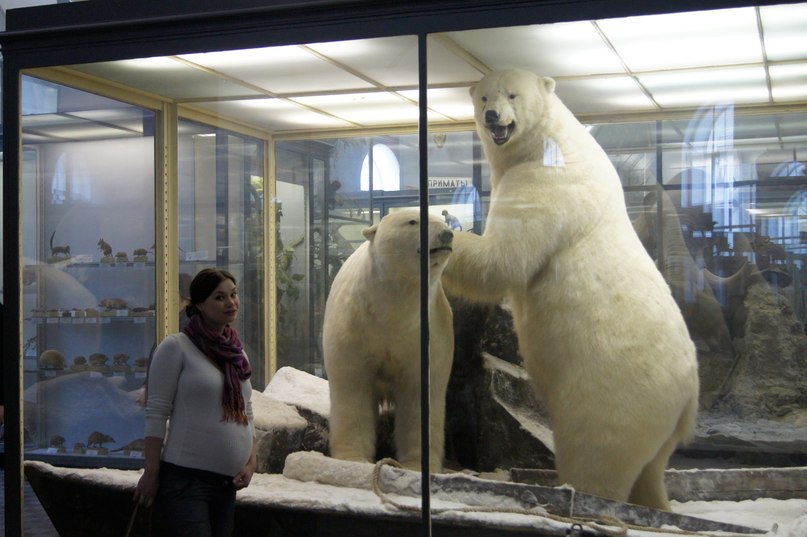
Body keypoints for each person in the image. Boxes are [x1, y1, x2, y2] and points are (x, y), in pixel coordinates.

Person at [134, 268, 257, 537]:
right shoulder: (176, 347)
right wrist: (151, 472)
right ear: (199, 304)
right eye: (219, 297)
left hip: (227, 484)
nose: (231, 303)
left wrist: (250, 462)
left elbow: (247, 412)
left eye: (233, 295)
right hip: (187, 481)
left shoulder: (236, 353)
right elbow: (156, 413)